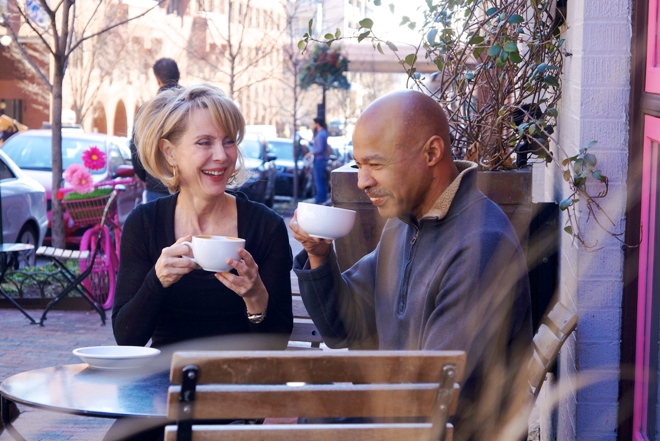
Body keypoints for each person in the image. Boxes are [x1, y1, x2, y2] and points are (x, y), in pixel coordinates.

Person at [289, 90, 532, 440]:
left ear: (432, 153)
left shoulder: (481, 245)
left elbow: (435, 395)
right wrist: (319, 255)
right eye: (359, 165)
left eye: (375, 164)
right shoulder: (404, 225)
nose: (362, 181)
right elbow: (343, 327)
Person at [108, 84, 293, 440]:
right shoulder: (145, 224)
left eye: (229, 141)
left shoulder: (264, 226)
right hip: (163, 393)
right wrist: (157, 279)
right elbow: (127, 337)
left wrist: (255, 297)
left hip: (237, 393)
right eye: (204, 142)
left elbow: (274, 349)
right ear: (170, 152)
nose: (222, 156)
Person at [130, 57, 181, 201]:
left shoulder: (148, 110)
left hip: (157, 182)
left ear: (157, 79)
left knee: (156, 222)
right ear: (178, 75)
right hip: (187, 183)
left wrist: (145, 175)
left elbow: (136, 148)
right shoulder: (193, 106)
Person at [307, 117, 330, 204]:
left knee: (319, 180)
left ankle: (320, 198)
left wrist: (311, 153)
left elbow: (320, 148)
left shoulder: (321, 134)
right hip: (321, 160)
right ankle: (321, 198)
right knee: (320, 180)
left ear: (317, 124)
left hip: (320, 160)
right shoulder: (322, 133)